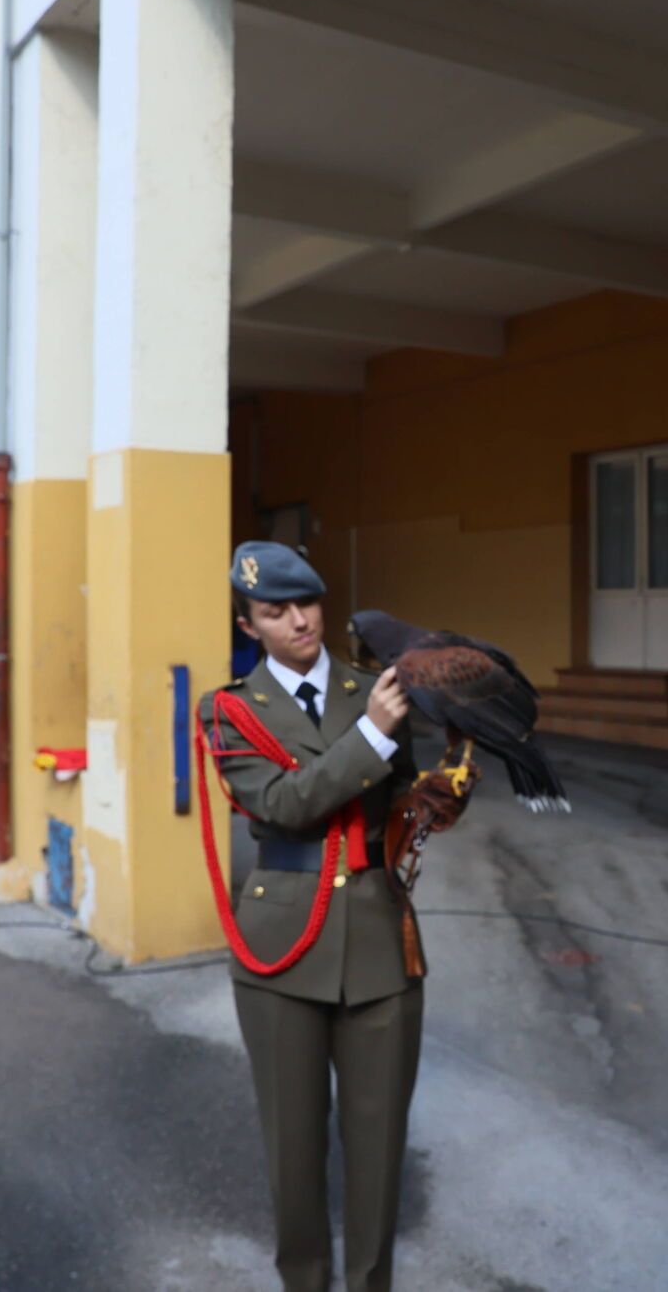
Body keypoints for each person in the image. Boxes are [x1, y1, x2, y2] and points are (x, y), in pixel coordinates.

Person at [197, 541, 426, 1292]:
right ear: (248, 622)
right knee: (293, 1156)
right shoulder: (230, 710)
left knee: (378, 1149)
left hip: (380, 941)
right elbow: (284, 805)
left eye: (307, 603)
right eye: (275, 611)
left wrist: (435, 801)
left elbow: (403, 800)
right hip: (282, 950)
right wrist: (371, 736)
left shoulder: (377, 687)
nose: (299, 620)